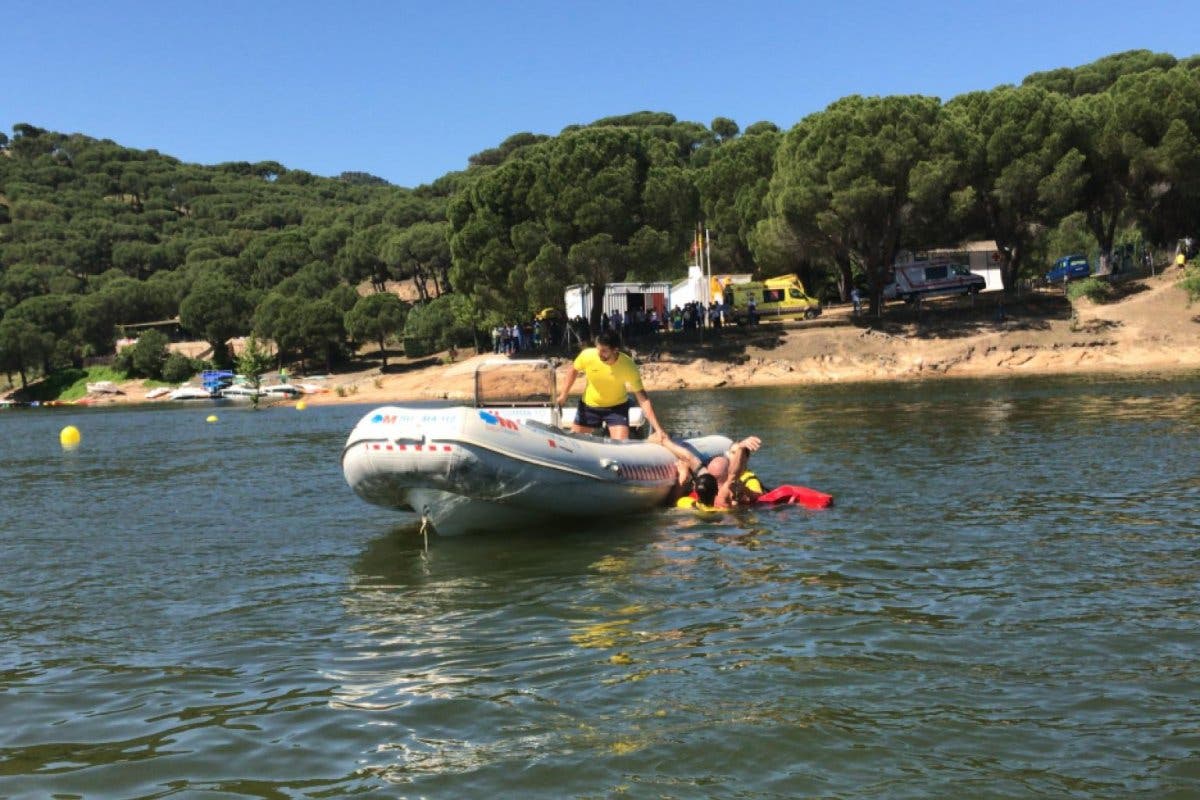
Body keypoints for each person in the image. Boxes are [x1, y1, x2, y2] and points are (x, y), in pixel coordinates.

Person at [555, 331, 665, 440]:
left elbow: (643, 399)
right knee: (575, 443)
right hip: (589, 406)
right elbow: (573, 370)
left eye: (604, 351)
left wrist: (658, 429)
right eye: (598, 349)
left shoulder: (628, 366)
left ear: (615, 350)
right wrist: (564, 395)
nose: (599, 354)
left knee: (621, 445)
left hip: (617, 409)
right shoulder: (588, 355)